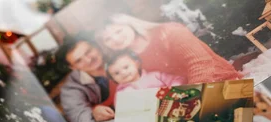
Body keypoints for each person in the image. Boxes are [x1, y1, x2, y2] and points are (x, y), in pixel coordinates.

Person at [95, 14, 242, 85]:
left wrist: (190, 99)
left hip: (219, 82)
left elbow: (200, 64)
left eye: (118, 31)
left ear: (130, 24)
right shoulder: (129, 59)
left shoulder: (169, 31)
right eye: (107, 39)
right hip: (186, 99)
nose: (115, 39)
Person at [59, 34, 117, 122]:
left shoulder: (119, 54)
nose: (88, 60)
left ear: (95, 46)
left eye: (88, 51)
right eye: (78, 60)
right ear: (73, 67)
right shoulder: (70, 90)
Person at [105, 50, 186, 94]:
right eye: (116, 73)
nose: (123, 73)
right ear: (113, 78)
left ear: (137, 64)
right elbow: (121, 111)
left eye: (126, 67)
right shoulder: (121, 92)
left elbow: (178, 79)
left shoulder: (155, 76)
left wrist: (172, 90)